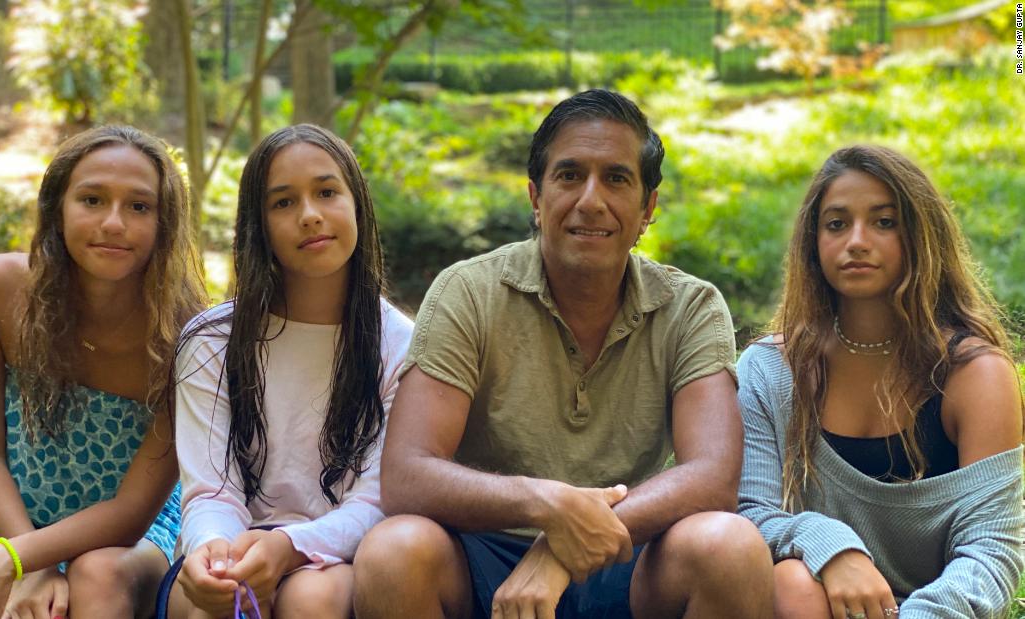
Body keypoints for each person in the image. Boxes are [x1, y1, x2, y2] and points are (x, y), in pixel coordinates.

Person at [353, 89, 773, 619]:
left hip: (630, 554)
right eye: (570, 175)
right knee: (392, 553)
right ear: (536, 197)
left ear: (648, 209)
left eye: (616, 178)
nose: (591, 200)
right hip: (486, 553)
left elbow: (713, 476)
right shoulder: (469, 292)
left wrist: (562, 550)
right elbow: (407, 475)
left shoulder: (690, 307)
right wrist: (546, 506)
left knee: (731, 547)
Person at [737, 144, 1024, 619]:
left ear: (922, 236)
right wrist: (830, 545)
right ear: (813, 242)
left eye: (884, 222)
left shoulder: (976, 374)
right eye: (836, 224)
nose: (856, 241)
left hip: (937, 613)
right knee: (791, 583)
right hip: (813, 602)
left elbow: (991, 550)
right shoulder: (771, 369)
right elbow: (750, 514)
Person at [0, 125, 208, 618]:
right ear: (57, 209)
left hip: (132, 539)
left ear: (165, 223)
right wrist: (24, 559)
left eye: (139, 206)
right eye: (92, 200)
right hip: (11, 521)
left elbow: (132, 512)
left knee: (96, 577)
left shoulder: (187, 333)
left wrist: (16, 560)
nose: (113, 223)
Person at [166, 124, 413, 619]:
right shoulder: (211, 341)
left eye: (327, 192)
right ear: (258, 225)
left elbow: (376, 501)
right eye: (283, 202)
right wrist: (218, 553)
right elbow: (211, 492)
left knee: (310, 602)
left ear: (357, 204)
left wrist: (290, 548)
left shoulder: (401, 344)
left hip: (338, 553)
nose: (310, 215)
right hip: (232, 540)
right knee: (215, 603)